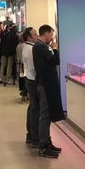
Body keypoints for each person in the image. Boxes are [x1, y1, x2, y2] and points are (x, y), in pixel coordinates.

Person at [33, 24, 65, 158]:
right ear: (46, 34)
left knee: (47, 114)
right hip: (45, 84)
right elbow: (56, 60)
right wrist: (55, 49)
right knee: (45, 115)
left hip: (46, 83)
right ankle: (43, 145)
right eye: (51, 34)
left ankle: (47, 141)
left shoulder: (41, 46)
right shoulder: (41, 47)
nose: (52, 37)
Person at [22, 27, 39, 146]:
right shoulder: (29, 50)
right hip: (33, 80)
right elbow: (34, 67)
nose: (37, 35)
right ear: (29, 37)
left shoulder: (28, 48)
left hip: (30, 79)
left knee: (32, 107)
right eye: (34, 34)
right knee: (35, 108)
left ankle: (31, 134)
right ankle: (34, 136)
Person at [16, 34, 28, 102]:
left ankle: (23, 96)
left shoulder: (18, 46)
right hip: (24, 66)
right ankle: (25, 96)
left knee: (22, 80)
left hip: (20, 65)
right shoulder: (24, 46)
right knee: (25, 81)